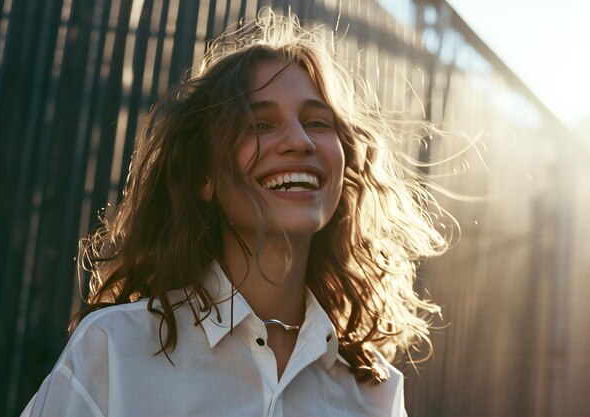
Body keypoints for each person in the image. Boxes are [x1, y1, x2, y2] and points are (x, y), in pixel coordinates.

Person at [22, 10, 447, 417]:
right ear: (204, 177)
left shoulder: (375, 390)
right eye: (259, 124)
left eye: (318, 123)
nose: (299, 141)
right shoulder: (114, 349)